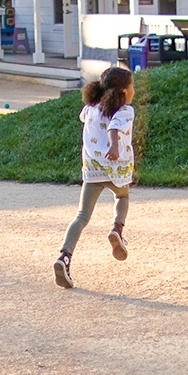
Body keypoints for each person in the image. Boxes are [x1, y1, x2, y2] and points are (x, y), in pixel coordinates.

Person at [54, 66, 136, 289]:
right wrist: (114, 144)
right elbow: (114, 128)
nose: (133, 90)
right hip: (115, 169)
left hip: (92, 170)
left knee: (81, 216)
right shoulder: (125, 111)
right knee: (122, 197)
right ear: (123, 92)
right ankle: (117, 230)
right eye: (132, 87)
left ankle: (64, 257)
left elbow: (86, 117)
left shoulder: (90, 108)